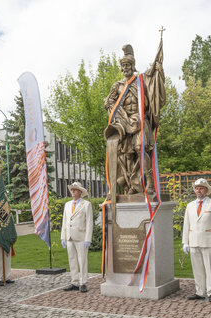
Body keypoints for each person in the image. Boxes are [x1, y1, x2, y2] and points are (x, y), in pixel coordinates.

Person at [104, 42, 165, 195]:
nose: (125, 68)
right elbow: (109, 103)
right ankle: (132, 184)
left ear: (133, 66)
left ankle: (149, 181)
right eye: (123, 66)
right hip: (125, 124)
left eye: (128, 65)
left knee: (140, 147)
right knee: (127, 155)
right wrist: (116, 115)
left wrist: (157, 69)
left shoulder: (140, 81)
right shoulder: (117, 86)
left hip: (140, 121)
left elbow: (153, 84)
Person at [182, 178, 211, 303]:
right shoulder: (189, 206)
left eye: (201, 188)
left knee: (210, 268)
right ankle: (200, 291)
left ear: (206, 190)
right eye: (196, 188)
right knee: (197, 268)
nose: (198, 190)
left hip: (209, 242)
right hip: (194, 242)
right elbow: (186, 225)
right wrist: (185, 242)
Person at [61, 182, 93, 293]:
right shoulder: (67, 204)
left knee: (82, 260)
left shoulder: (86, 204)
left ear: (80, 192)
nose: (73, 191)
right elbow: (65, 221)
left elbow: (89, 223)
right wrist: (63, 236)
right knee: (72, 259)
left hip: (81, 237)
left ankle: (83, 282)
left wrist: (88, 239)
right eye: (72, 190)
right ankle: (74, 281)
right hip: (69, 236)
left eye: (75, 190)